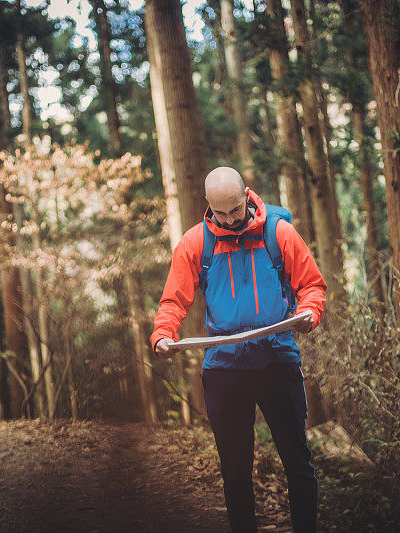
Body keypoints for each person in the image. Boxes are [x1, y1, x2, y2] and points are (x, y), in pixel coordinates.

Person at [150, 167, 326, 533]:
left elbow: (311, 285)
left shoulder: (279, 232)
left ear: (247, 195)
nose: (230, 220)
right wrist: (163, 334)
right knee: (234, 469)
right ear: (208, 206)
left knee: (297, 461)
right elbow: (173, 300)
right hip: (224, 367)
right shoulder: (195, 243)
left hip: (277, 357)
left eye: (235, 209)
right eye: (221, 213)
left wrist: (310, 312)